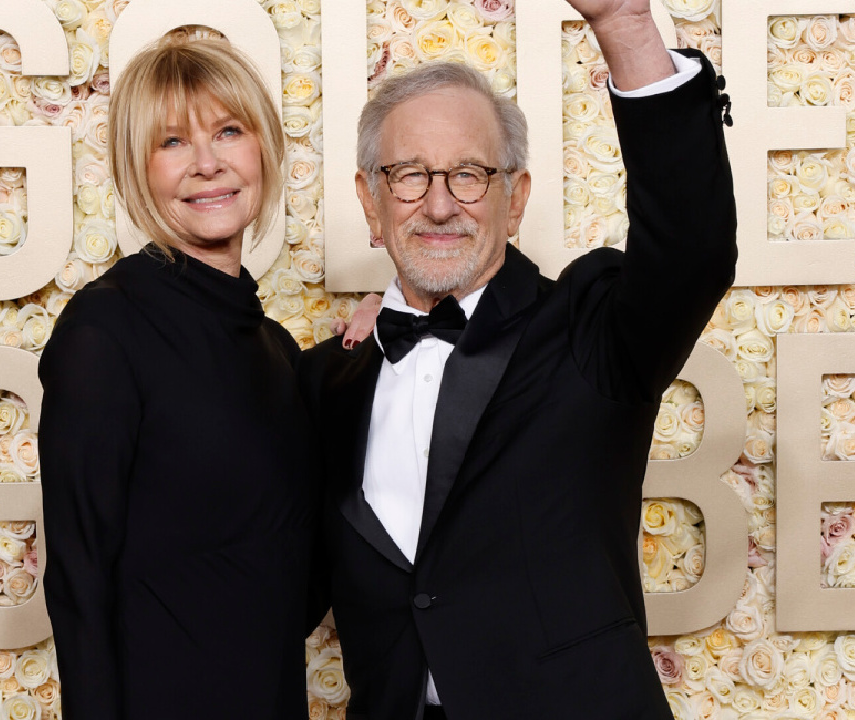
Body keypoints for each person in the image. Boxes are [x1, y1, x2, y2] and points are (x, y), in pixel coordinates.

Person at [298, 1, 738, 718]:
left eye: (470, 174)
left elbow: (693, 251)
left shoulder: (589, 335)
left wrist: (624, 25)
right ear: (370, 204)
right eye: (408, 175)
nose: (439, 206)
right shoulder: (326, 378)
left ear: (517, 196)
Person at [38, 31, 318, 720]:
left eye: (228, 130)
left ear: (264, 148)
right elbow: (79, 577)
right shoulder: (104, 332)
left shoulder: (276, 350)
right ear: (138, 169)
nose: (206, 164)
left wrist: (373, 334)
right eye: (171, 142)